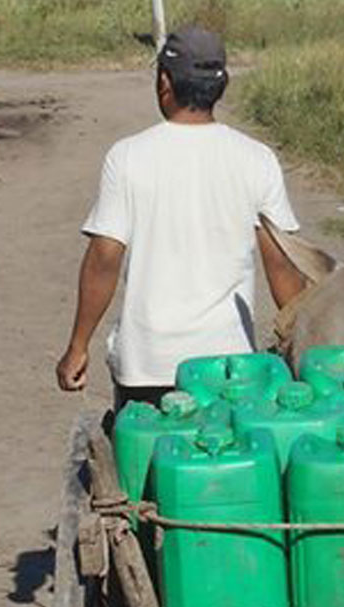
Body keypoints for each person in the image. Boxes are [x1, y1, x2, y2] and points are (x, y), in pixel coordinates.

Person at [55, 26, 308, 409]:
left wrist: (78, 346)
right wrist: (304, 350)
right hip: (230, 369)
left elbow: (104, 258)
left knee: (142, 465)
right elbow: (284, 268)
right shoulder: (257, 160)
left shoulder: (127, 157)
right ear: (220, 87)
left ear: (164, 83)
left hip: (148, 365)